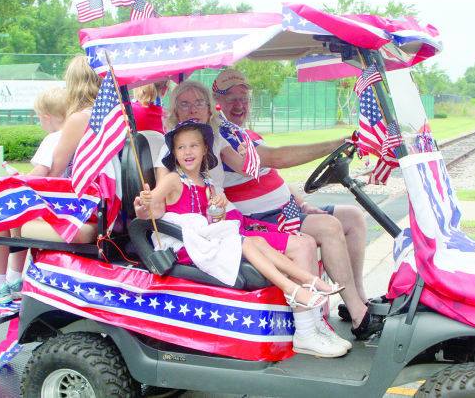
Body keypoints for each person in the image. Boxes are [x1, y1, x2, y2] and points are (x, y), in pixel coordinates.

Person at [149, 80, 352, 354]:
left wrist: (250, 155)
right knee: (300, 244)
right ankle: (306, 330)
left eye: (199, 102)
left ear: (210, 109)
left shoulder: (214, 140)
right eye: (184, 104)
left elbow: (248, 166)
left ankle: (315, 325)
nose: (193, 108)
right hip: (205, 234)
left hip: (224, 220)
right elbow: (159, 205)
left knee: (303, 242)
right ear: (175, 111)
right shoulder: (172, 151)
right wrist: (146, 204)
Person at [212, 69, 380, 340]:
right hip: (262, 218)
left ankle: (357, 299)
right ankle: (361, 318)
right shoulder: (222, 134)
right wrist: (337, 142)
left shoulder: (246, 133)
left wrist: (301, 203)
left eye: (243, 97)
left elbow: (272, 176)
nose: (239, 104)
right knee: (329, 226)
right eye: (230, 98)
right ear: (216, 100)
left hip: (285, 209)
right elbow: (275, 159)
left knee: (353, 217)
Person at [0, 87, 68, 304]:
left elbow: (38, 175)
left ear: (46, 117)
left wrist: (21, 178)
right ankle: (15, 278)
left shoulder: (53, 139)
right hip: (65, 204)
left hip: (52, 207)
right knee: (17, 217)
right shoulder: (74, 136)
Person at [48, 55, 102, 177]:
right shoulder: (114, 115)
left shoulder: (80, 119)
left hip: (85, 192)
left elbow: (54, 171)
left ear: (74, 84)